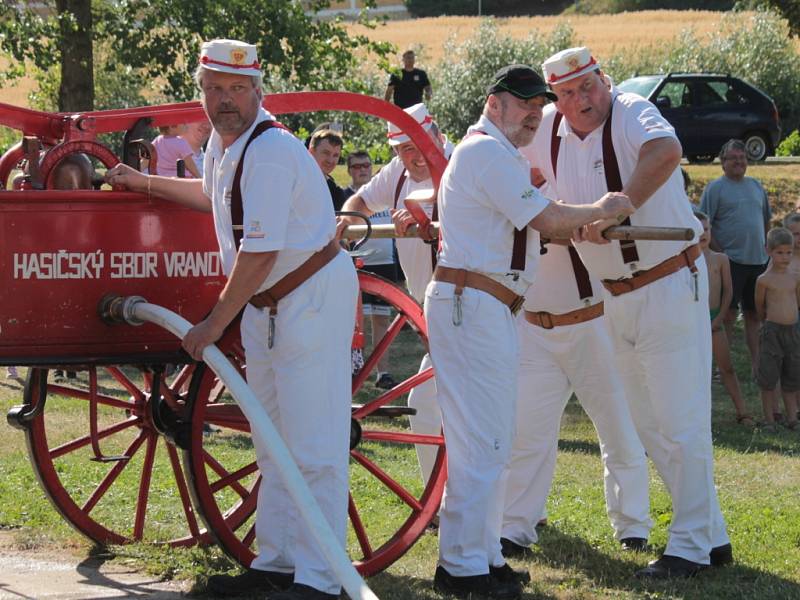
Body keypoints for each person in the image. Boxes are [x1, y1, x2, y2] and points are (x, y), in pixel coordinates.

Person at [106, 38, 357, 600]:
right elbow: (213, 195)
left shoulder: (268, 150)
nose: (225, 99)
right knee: (271, 440)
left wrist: (213, 324)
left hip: (306, 299)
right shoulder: (228, 145)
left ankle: (320, 580)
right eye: (215, 89)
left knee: (312, 445)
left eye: (237, 89)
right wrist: (142, 181)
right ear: (202, 94)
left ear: (257, 92)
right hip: (269, 307)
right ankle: (277, 562)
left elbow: (260, 253)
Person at [426, 63, 633, 599]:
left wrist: (573, 218)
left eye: (539, 107)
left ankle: (484, 555)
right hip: (473, 305)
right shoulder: (484, 153)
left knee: (494, 438)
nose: (533, 116)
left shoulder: (496, 155)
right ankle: (462, 567)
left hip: (487, 305)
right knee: (484, 440)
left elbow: (541, 221)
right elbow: (544, 219)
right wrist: (602, 208)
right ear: (493, 103)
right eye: (523, 105)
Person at [529, 47, 731, 578]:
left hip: (667, 284)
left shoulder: (633, 109)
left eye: (588, 87)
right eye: (568, 93)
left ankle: (689, 547)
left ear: (605, 80)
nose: (581, 101)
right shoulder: (545, 129)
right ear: (555, 97)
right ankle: (711, 532)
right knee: (648, 424)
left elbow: (666, 151)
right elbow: (500, 169)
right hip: (612, 296)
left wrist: (622, 202)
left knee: (679, 419)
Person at [500, 230, 652, 558]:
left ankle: (633, 526)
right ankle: (514, 527)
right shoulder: (509, 186)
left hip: (594, 324)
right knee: (527, 432)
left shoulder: (574, 182)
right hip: (533, 328)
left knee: (618, 428)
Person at [340, 103, 446, 485]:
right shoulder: (397, 175)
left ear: (436, 135)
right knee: (430, 406)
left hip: (478, 304)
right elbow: (359, 202)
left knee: (440, 405)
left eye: (418, 144)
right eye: (404, 149)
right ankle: (443, 501)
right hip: (432, 310)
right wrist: (350, 221)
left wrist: (429, 223)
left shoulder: (460, 163)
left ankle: (509, 512)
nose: (414, 156)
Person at [700, 139, 771, 374]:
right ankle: (722, 368)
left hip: (758, 261)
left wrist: (767, 247)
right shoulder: (715, 188)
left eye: (742, 158)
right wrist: (722, 253)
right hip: (731, 263)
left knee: (754, 315)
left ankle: (757, 365)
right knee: (727, 315)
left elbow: (765, 220)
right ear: (723, 162)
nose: (739, 162)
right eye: (734, 158)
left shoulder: (756, 186)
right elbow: (704, 224)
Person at [343, 151, 400, 389]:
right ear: (349, 170)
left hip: (386, 264)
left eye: (366, 165)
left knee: (381, 322)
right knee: (358, 323)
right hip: (359, 264)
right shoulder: (346, 196)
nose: (363, 170)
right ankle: (357, 371)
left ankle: (382, 372)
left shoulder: (382, 194)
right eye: (357, 166)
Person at [695, 210, 753, 426]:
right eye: (698, 230)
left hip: (714, 320)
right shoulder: (682, 261)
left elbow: (728, 291)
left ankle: (743, 412)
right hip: (693, 321)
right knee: (696, 371)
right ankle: (698, 416)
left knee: (726, 367)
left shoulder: (720, 259)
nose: (703, 234)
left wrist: (719, 318)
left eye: (707, 229)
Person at [754, 227, 800, 431]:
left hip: (792, 331)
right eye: (780, 252)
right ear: (769, 251)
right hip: (772, 331)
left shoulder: (795, 277)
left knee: (791, 376)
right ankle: (769, 419)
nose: (785, 257)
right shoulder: (764, 280)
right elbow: (759, 306)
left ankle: (792, 418)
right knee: (769, 377)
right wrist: (767, 322)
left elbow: (796, 301)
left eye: (788, 252)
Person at [308, 128, 347, 211]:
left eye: (335, 155)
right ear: (311, 152)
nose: (330, 160)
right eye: (326, 153)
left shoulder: (336, 192)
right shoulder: (296, 181)